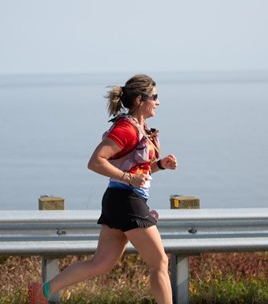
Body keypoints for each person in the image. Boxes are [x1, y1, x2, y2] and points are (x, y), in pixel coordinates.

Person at [30, 74, 178, 304]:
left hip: (119, 200)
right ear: (139, 100)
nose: (158, 102)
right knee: (159, 262)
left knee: (101, 263)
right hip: (127, 201)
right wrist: (128, 178)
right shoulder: (126, 129)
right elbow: (96, 161)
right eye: (155, 97)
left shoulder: (140, 128)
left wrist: (159, 165)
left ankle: (44, 291)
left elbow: (136, 171)